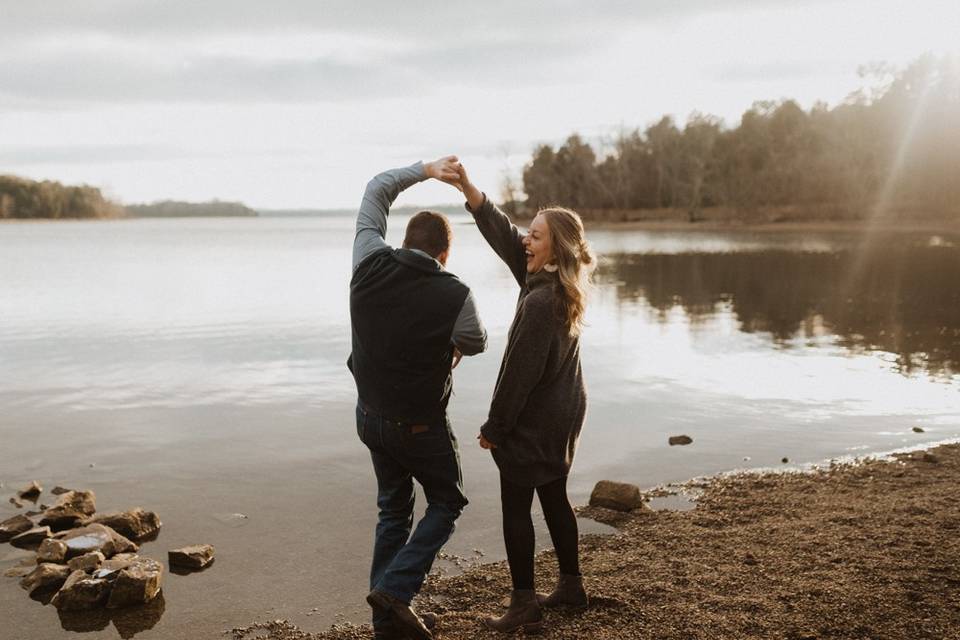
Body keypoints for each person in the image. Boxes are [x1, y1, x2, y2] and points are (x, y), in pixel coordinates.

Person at [349, 157, 488, 640]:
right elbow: (476, 341)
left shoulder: (367, 258)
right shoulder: (455, 292)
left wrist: (427, 170)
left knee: (393, 510)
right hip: (420, 426)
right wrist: (449, 345)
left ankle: (385, 624)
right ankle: (396, 591)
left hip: (369, 417)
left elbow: (376, 188)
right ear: (445, 255)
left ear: (404, 242)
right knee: (447, 501)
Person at [455, 163, 596, 634]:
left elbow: (518, 375)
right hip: (565, 410)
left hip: (538, 416)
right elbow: (503, 234)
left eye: (535, 236)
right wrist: (472, 193)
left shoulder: (539, 302)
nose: (525, 242)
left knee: (516, 504)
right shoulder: (554, 282)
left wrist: (495, 429)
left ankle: (523, 604)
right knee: (554, 493)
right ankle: (572, 587)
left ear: (553, 247)